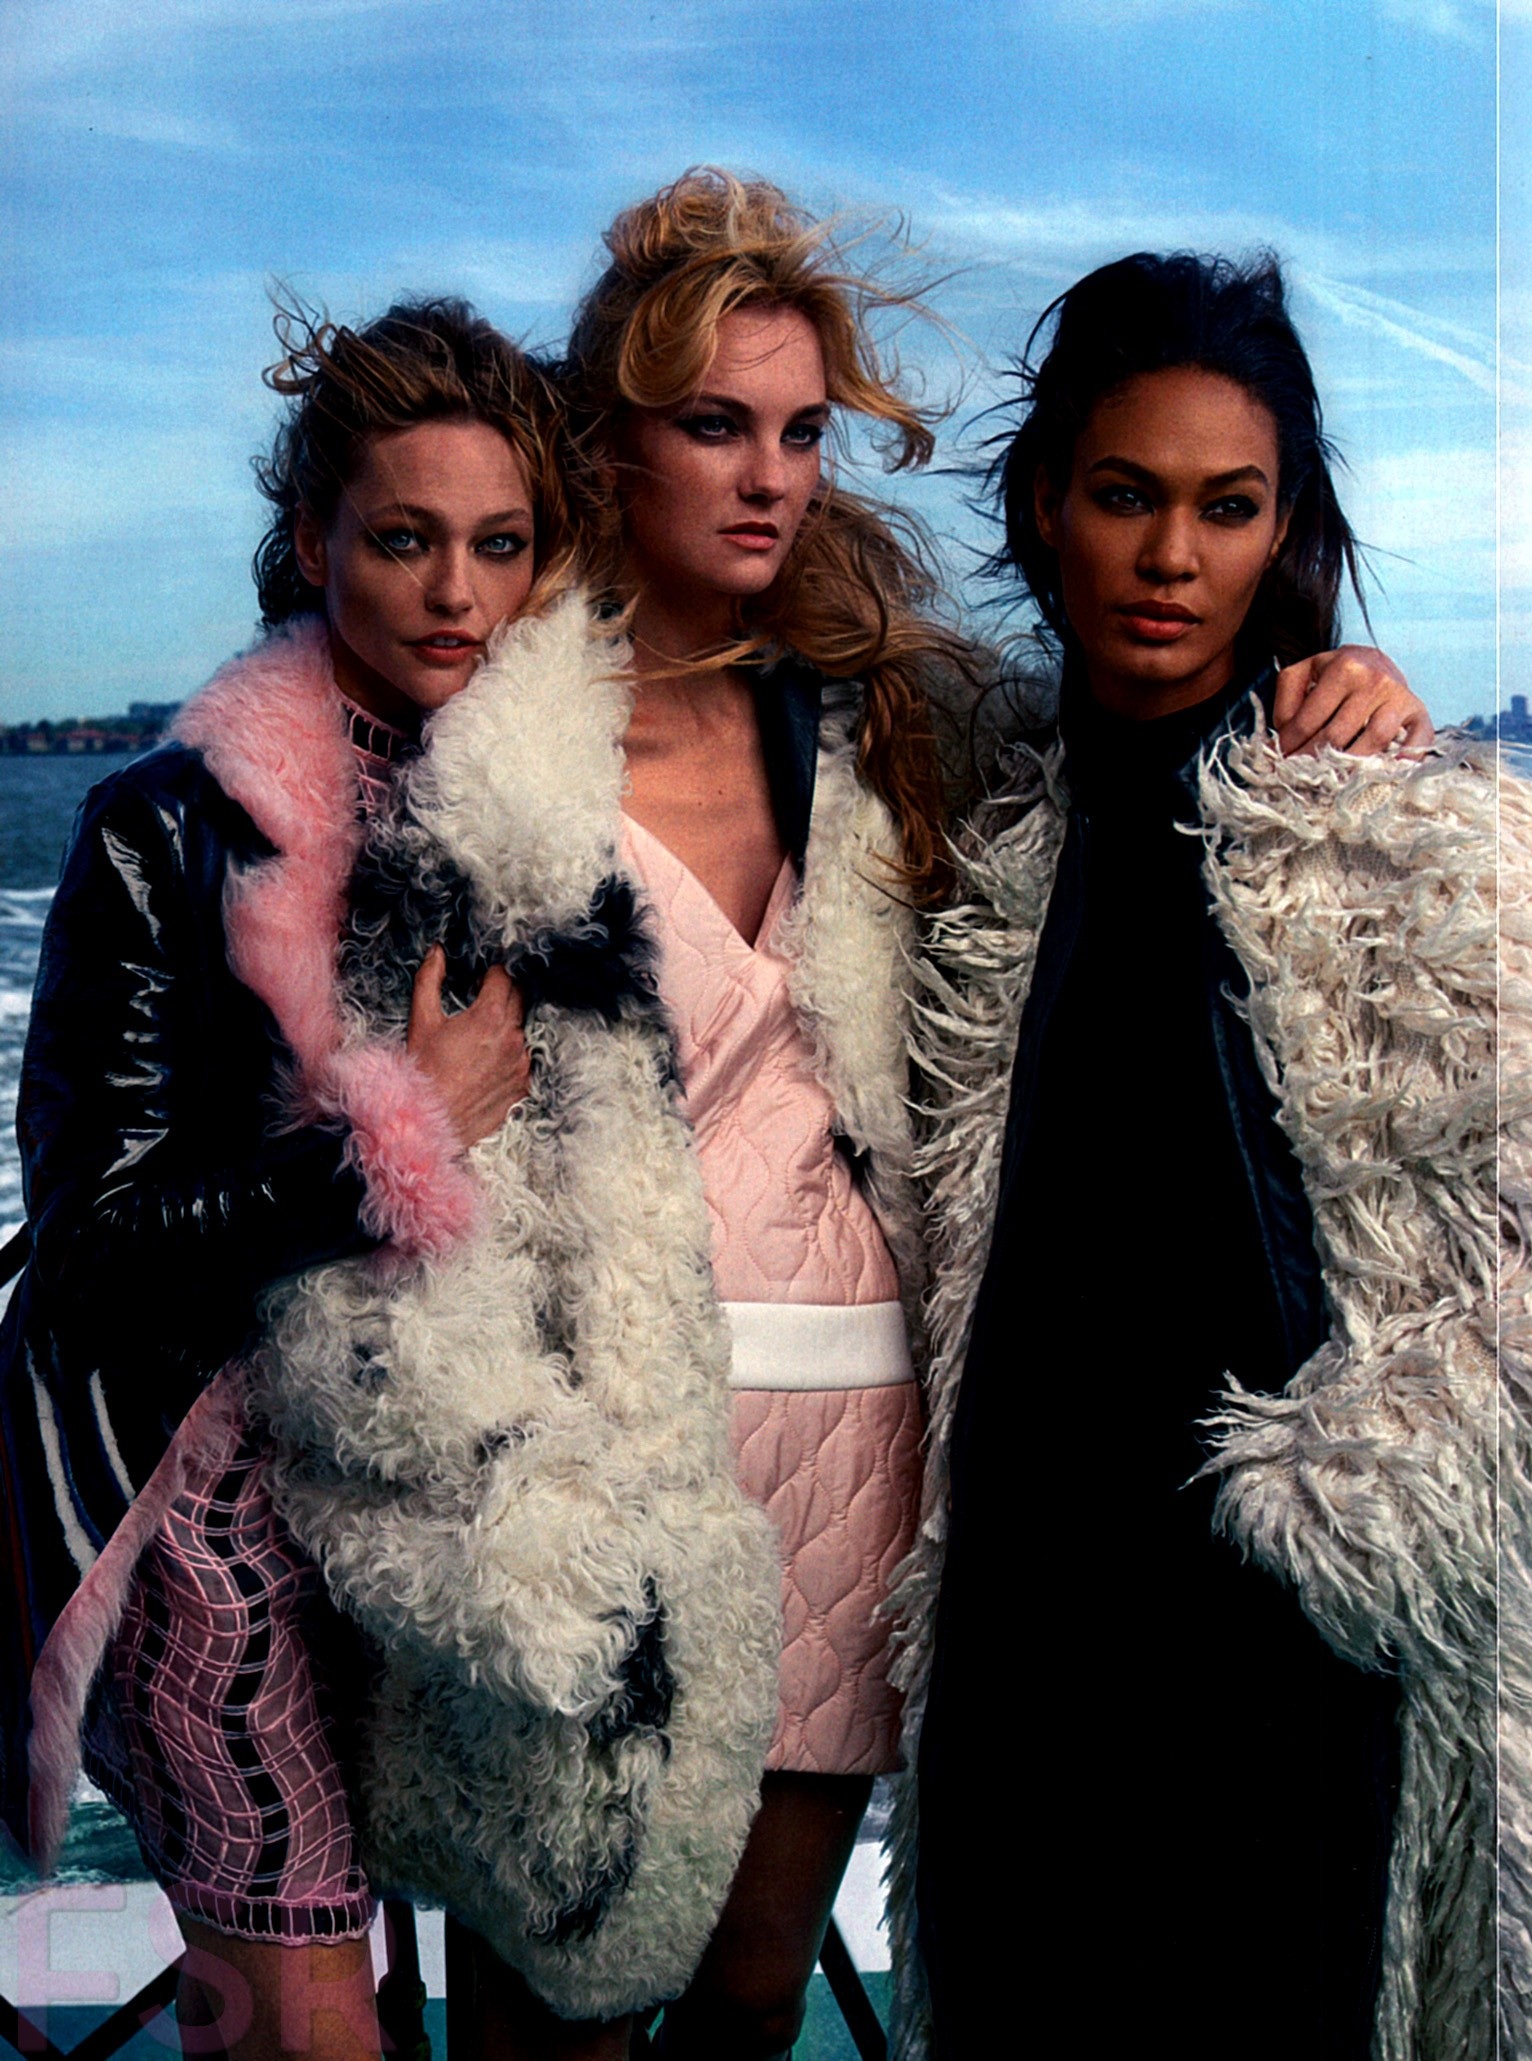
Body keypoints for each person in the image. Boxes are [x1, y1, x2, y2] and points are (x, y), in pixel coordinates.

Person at [258, 173, 1438, 2061]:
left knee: (750, 2002)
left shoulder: (888, 722)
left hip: (851, 1436)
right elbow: (369, 1121)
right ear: (608, 439)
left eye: (801, 432)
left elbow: (1139, 756)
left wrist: (1347, 676)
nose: (769, 478)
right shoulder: (486, 747)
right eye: (713, 425)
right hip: (599, 1453)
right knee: (560, 2015)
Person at [887, 249, 1532, 2058]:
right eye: (1127, 495)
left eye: (1227, 506)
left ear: (1284, 533)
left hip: (1293, 1647)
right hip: (1027, 1630)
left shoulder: (1405, 829)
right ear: (1045, 504)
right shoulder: (972, 816)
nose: (1172, 557)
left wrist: (1351, 1499)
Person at [0, 299, 576, 2061]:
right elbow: (92, 1248)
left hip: (441, 1479)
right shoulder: (166, 824)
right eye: (404, 539)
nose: (456, 593)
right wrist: (397, 1136)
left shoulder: (544, 820)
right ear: (315, 533)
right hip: (199, 1487)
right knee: (306, 2024)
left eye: (500, 545)